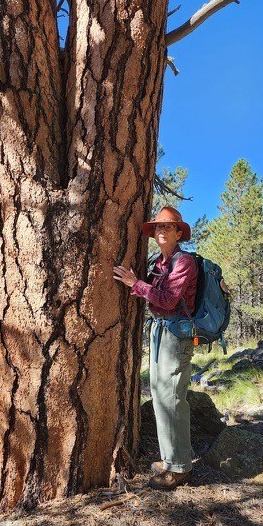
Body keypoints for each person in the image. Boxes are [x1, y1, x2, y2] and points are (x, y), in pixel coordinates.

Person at [113, 206, 198, 491]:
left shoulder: (183, 262)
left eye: (168, 227)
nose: (161, 231)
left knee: (172, 397)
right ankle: (170, 459)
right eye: (158, 228)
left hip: (177, 334)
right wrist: (139, 282)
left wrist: (135, 283)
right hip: (161, 330)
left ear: (178, 233)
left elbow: (169, 300)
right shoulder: (159, 264)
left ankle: (179, 468)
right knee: (160, 395)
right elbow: (155, 295)